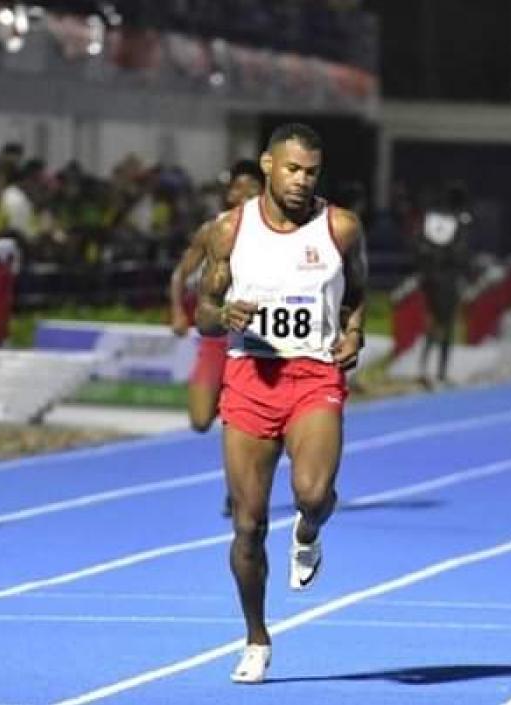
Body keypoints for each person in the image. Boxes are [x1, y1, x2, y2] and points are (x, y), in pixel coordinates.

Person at [195, 123, 366, 684]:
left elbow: (358, 292)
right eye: (292, 169)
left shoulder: (339, 227)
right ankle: (255, 638)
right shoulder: (229, 231)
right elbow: (203, 310)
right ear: (267, 165)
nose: (301, 180)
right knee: (247, 526)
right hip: (250, 380)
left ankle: (310, 532)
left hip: (313, 374)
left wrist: (354, 333)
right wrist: (225, 317)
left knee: (312, 494)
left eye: (311, 172)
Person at [169, 159, 265, 517]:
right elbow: (181, 274)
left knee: (239, 420)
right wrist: (178, 311)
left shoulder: (278, 234)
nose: (242, 195)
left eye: (250, 188)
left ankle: (237, 489)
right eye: (236, 188)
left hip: (255, 343)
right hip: (214, 338)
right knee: (199, 420)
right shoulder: (213, 230)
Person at [415, 182, 471, 386]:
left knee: (434, 321)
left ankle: (423, 367)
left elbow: (420, 245)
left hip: (430, 278)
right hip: (448, 279)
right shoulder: (459, 222)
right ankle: (440, 372)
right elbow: (460, 252)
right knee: (445, 325)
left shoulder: (432, 219)